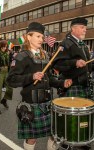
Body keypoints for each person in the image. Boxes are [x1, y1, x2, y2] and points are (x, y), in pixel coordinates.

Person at [6, 22, 72, 150]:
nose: (41, 40)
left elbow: (49, 78)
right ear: (28, 37)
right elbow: (11, 80)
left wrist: (61, 82)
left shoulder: (45, 56)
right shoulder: (22, 57)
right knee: (32, 138)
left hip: (47, 104)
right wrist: (31, 77)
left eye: (42, 37)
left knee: (55, 135)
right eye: (38, 36)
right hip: (32, 105)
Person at [53, 17, 92, 150]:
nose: (85, 30)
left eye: (85, 28)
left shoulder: (83, 45)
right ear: (73, 28)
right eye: (82, 27)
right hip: (73, 85)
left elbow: (88, 66)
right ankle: (66, 141)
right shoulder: (66, 44)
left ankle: (82, 139)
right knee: (70, 117)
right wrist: (74, 63)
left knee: (84, 115)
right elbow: (56, 64)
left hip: (84, 85)